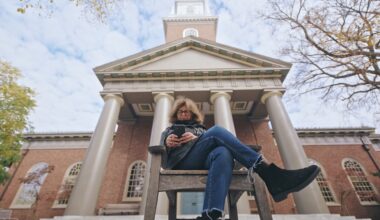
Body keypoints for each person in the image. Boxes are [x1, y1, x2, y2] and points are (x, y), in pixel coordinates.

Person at [160, 97, 320, 220]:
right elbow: (161, 154)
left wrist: (195, 137)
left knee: (223, 151)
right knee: (217, 131)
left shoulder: (201, 130)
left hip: (205, 162)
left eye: (187, 111)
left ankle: (211, 214)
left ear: (192, 114)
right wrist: (167, 142)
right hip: (182, 163)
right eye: (180, 111)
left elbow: (211, 145)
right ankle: (269, 174)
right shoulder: (168, 130)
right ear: (176, 115)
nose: (184, 114)